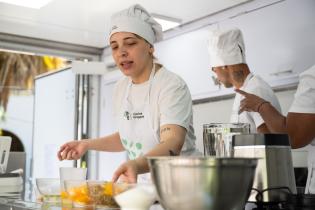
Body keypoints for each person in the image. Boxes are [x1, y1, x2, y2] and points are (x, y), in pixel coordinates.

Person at [57, 4, 200, 183]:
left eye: (130, 43)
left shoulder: (171, 86)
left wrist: (135, 165)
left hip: (181, 186)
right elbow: (128, 138)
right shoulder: (121, 88)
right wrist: (87, 143)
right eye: (114, 47)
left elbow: (173, 143)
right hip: (144, 187)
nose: (121, 52)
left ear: (150, 46)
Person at [235, 64, 315, 194]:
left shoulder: (256, 88)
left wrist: (260, 105)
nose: (213, 70)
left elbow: (292, 137)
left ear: (225, 67)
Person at [208, 28, 281, 133]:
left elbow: (266, 143)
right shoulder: (244, 90)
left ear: (224, 65)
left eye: (215, 70)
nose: (216, 77)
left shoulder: (256, 90)